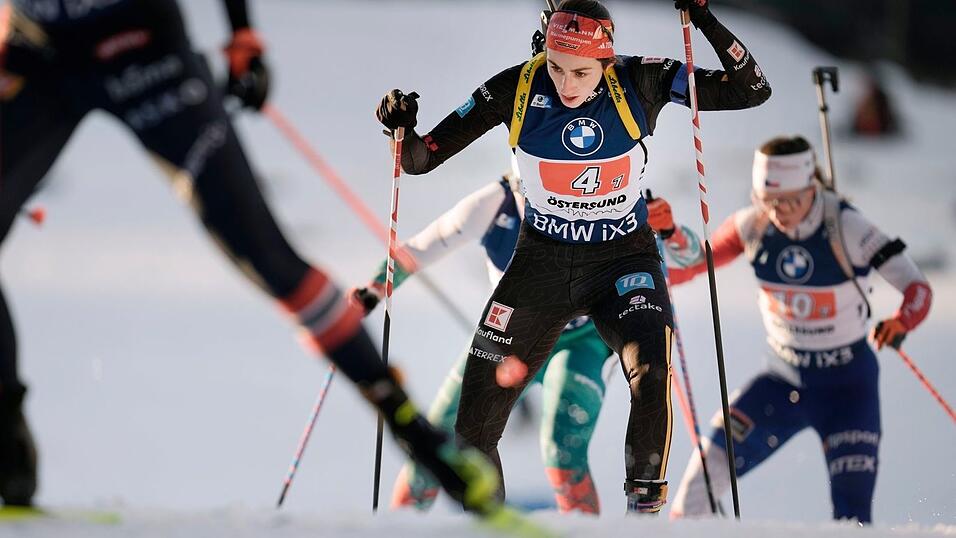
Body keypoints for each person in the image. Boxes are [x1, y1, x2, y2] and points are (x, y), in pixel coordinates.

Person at [0, 0, 499, 513]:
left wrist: (242, 34)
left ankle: (417, 436)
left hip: (141, 50)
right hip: (35, 55)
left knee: (265, 256)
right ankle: (7, 440)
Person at [375, 0, 770, 513]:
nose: (566, 83)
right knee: (472, 422)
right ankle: (491, 522)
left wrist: (705, 21)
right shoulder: (516, 87)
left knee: (651, 371)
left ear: (607, 60)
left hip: (622, 259)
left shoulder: (640, 80)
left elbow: (751, 90)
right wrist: (401, 128)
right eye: (557, 67)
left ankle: (642, 516)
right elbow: (420, 159)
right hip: (543, 261)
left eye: (582, 72)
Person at [657, 135, 933, 523]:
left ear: (812, 188)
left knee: (853, 518)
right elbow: (693, 264)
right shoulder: (752, 225)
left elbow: (917, 287)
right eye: (768, 200)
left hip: (848, 389)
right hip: (783, 382)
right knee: (699, 485)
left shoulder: (847, 226)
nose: (779, 211)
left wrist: (903, 320)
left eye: (790, 201)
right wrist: (662, 242)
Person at [352, 168, 615, 514]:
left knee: (562, 452)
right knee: (437, 439)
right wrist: (372, 289)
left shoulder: (603, 203)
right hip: (506, 340)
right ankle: (400, 527)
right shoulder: (493, 203)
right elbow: (418, 250)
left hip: (577, 342)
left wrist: (666, 237)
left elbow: (660, 263)